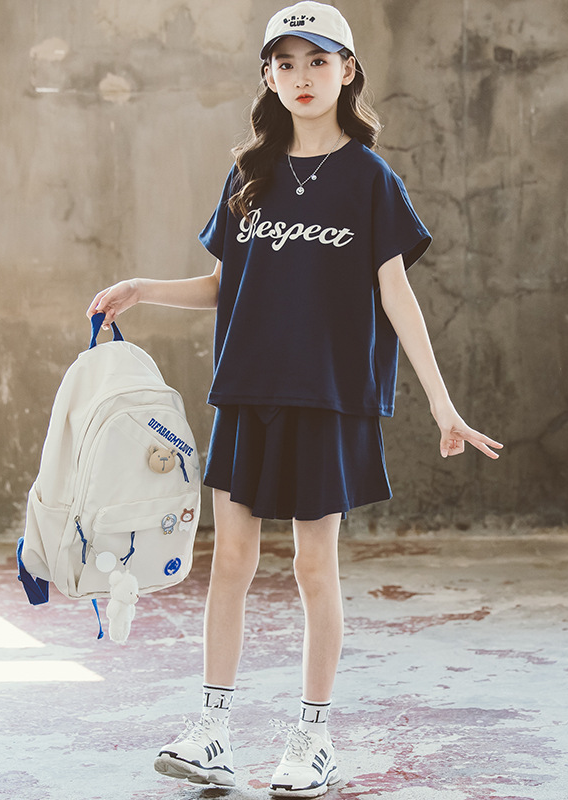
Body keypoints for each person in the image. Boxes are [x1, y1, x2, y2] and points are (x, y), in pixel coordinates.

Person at [87, 2, 502, 796]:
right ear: (268, 77)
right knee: (231, 561)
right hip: (248, 390)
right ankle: (212, 729)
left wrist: (442, 404)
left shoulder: (371, 180)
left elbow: (397, 296)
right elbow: (223, 285)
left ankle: (312, 738)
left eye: (317, 61)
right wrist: (142, 287)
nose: (301, 77)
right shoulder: (251, 174)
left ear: (348, 71)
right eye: (285, 63)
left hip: (329, 397)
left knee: (315, 566)